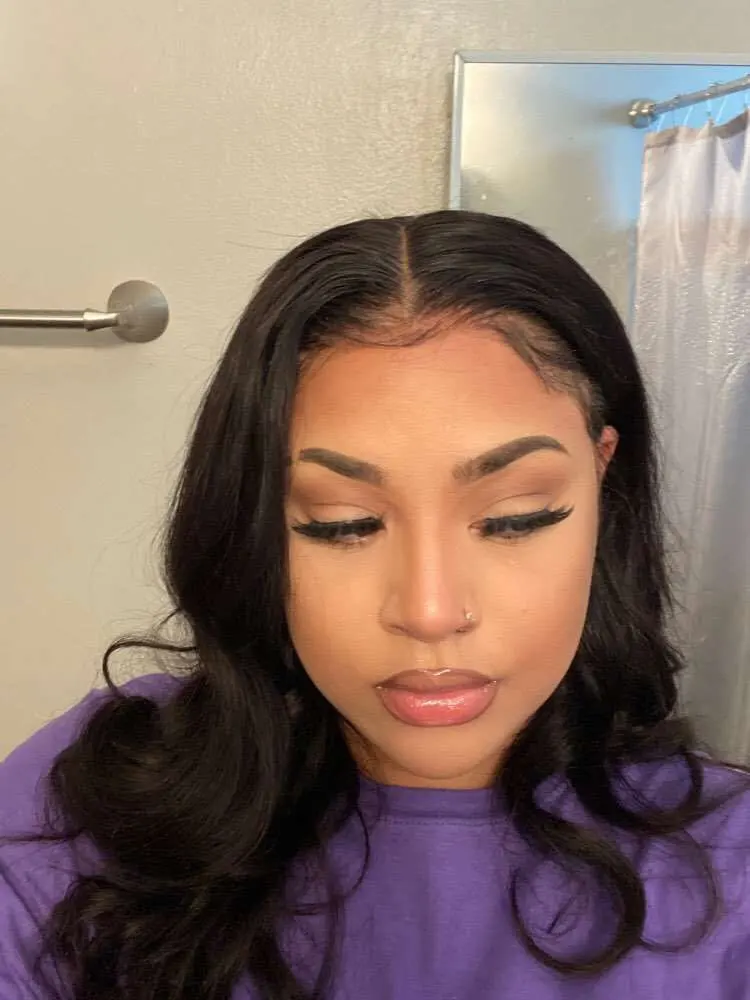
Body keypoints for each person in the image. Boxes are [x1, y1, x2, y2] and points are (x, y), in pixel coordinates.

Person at [1, 211, 749, 1000]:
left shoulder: (729, 867)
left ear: (602, 476)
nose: (429, 611)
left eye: (514, 518)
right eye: (344, 524)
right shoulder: (95, 806)